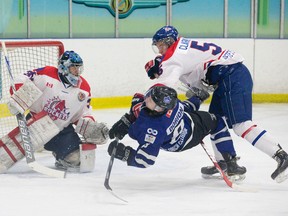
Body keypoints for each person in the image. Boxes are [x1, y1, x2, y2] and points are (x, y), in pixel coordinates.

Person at [144, 25, 288, 182]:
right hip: (228, 76)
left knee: (241, 125)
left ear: (169, 41)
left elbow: (162, 88)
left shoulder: (171, 58)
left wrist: (142, 107)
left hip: (231, 77)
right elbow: (199, 77)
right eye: (157, 47)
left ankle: (281, 156)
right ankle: (226, 163)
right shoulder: (183, 46)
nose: (159, 51)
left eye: (161, 46)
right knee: (215, 120)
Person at [0, 50, 109, 173]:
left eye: (79, 69)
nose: (77, 72)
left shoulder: (84, 89)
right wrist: (20, 96)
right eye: (74, 68)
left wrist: (89, 126)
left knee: (76, 160)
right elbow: (21, 78)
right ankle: (39, 144)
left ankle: (58, 153)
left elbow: (83, 114)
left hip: (61, 131)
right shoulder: (47, 74)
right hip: (36, 125)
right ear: (63, 67)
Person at [108, 85, 246, 180]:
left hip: (189, 133)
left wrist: (125, 154)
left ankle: (229, 163)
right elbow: (185, 107)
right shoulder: (167, 104)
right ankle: (228, 162)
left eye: (151, 101)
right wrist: (197, 98)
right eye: (149, 96)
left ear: (158, 109)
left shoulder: (155, 129)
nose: (147, 99)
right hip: (186, 127)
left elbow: (144, 160)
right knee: (218, 123)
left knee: (217, 122)